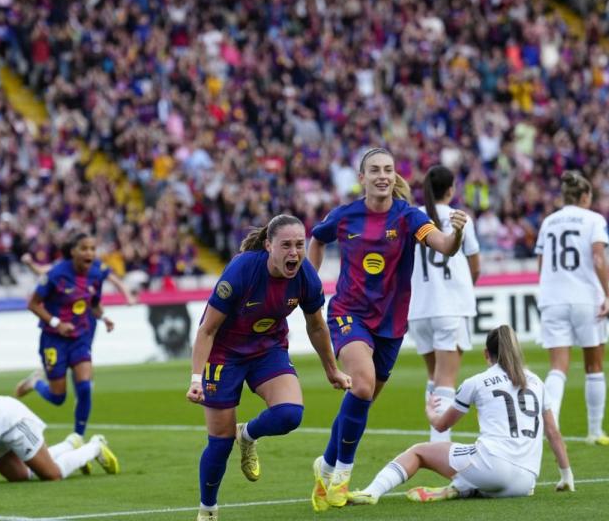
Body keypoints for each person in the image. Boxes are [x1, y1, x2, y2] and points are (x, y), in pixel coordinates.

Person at [306, 148, 469, 511]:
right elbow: (316, 239)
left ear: (394, 176)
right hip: (349, 314)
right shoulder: (345, 216)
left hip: (391, 325)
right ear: (361, 177)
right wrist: (309, 283)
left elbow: (444, 246)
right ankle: (341, 479)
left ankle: (327, 464)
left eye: (388, 170)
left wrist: (455, 233)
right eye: (374, 170)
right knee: (361, 385)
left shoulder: (408, 216)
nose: (382, 175)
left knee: (360, 401)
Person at [186, 214, 352, 521]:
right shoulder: (242, 270)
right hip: (224, 354)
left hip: (268, 349)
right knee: (220, 444)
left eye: (300, 245)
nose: (294, 253)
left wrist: (332, 369)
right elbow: (206, 330)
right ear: (268, 246)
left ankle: (247, 435)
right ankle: (208, 509)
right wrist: (196, 378)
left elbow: (317, 327)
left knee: (290, 414)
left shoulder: (306, 277)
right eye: (286, 245)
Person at [346, 325, 573, 505]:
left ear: (487, 354)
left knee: (419, 452)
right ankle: (463, 487)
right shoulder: (537, 382)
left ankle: (371, 492)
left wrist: (430, 412)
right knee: (476, 462)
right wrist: (566, 477)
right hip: (525, 482)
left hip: (492, 467)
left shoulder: (477, 382)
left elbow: (442, 425)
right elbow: (553, 432)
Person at [14, 232, 137, 441]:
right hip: (54, 338)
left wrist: (104, 317)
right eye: (84, 248)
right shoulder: (56, 274)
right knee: (57, 397)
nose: (89, 253)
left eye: (92, 248)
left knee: (85, 386)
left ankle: (78, 438)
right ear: (73, 252)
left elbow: (94, 304)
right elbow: (32, 304)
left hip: (80, 336)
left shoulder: (96, 275)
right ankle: (35, 383)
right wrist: (56, 323)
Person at [535, 171, 609, 445]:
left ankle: (551, 425)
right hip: (585, 298)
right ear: (583, 197)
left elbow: (541, 264)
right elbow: (598, 258)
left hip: (553, 298)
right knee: (594, 365)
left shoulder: (548, 222)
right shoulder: (593, 220)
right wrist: (607, 293)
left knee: (558, 367)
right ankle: (595, 431)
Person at [408, 165, 481, 443]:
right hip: (449, 306)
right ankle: (439, 447)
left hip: (419, 309)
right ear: (451, 190)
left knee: (434, 377)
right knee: (446, 381)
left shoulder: (414, 218)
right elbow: (475, 265)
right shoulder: (459, 218)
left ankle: (434, 440)